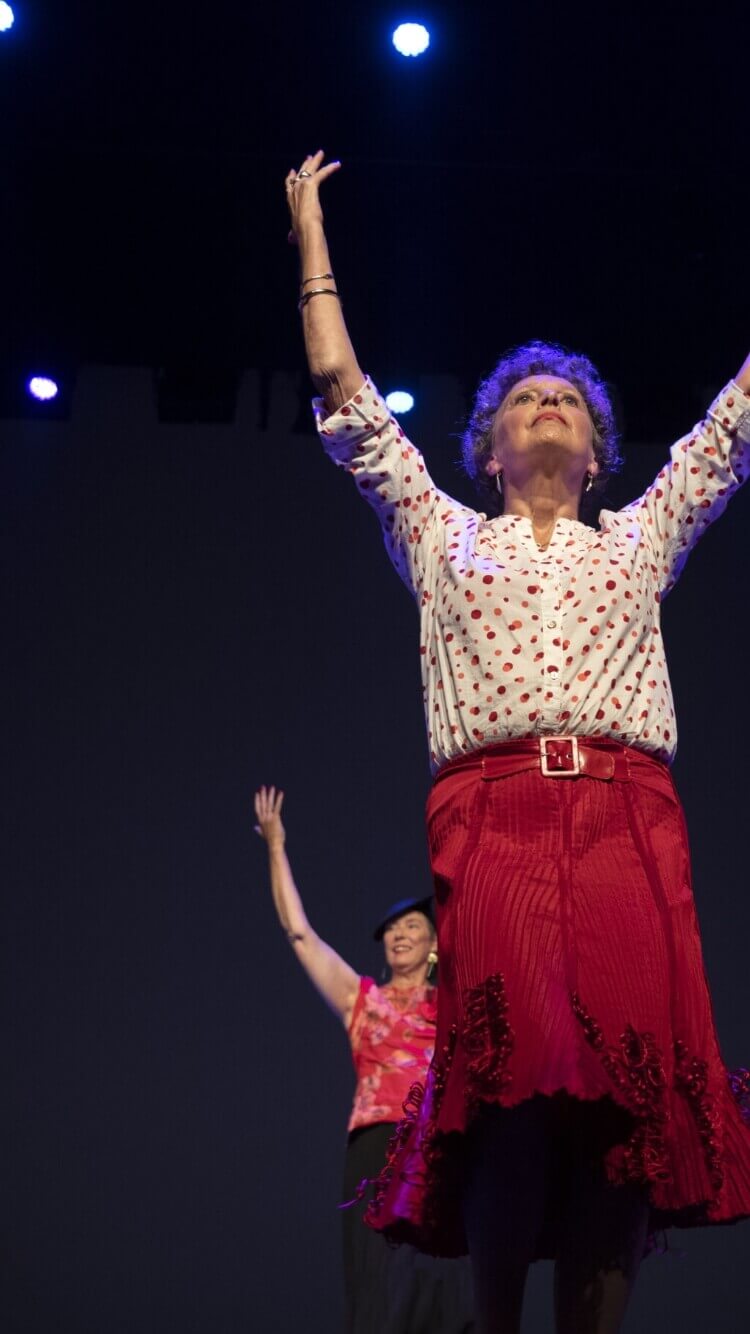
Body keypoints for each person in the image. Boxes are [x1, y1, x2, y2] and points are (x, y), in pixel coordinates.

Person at [284, 150, 750, 1334]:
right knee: (511, 1086)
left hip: (627, 816)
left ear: (598, 453)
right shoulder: (441, 533)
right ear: (488, 449)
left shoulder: (640, 537)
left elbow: (733, 425)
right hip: (492, 817)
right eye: (524, 398)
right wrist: (311, 235)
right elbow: (344, 397)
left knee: (621, 1094)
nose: (549, 400)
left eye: (571, 400)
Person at [253, 785, 475, 1334]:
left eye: (412, 926)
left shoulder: (455, 1006)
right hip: (376, 1144)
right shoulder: (363, 1000)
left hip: (439, 1145)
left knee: (446, 1281)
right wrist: (276, 846)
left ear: (434, 946)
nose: (398, 934)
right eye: (391, 930)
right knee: (378, 1281)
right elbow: (300, 935)